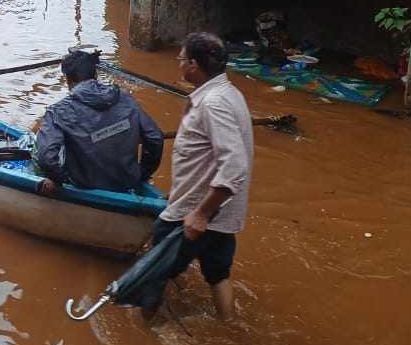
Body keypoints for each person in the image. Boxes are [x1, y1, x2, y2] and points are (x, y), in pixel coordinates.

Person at [145, 32, 254, 322]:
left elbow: (234, 167)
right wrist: (178, 190)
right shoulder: (228, 93)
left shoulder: (213, 103)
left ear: (193, 65)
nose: (178, 64)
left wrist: (201, 214)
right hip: (219, 212)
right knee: (218, 274)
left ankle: (145, 335)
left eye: (180, 59)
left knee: (154, 272)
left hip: (193, 214)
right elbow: (204, 157)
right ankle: (229, 326)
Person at [34, 50, 164, 195]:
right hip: (127, 181)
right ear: (96, 75)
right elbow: (155, 138)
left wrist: (58, 180)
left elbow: (46, 157)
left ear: (68, 80)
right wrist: (142, 174)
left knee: (38, 149)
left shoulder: (57, 112)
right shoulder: (125, 98)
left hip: (84, 185)